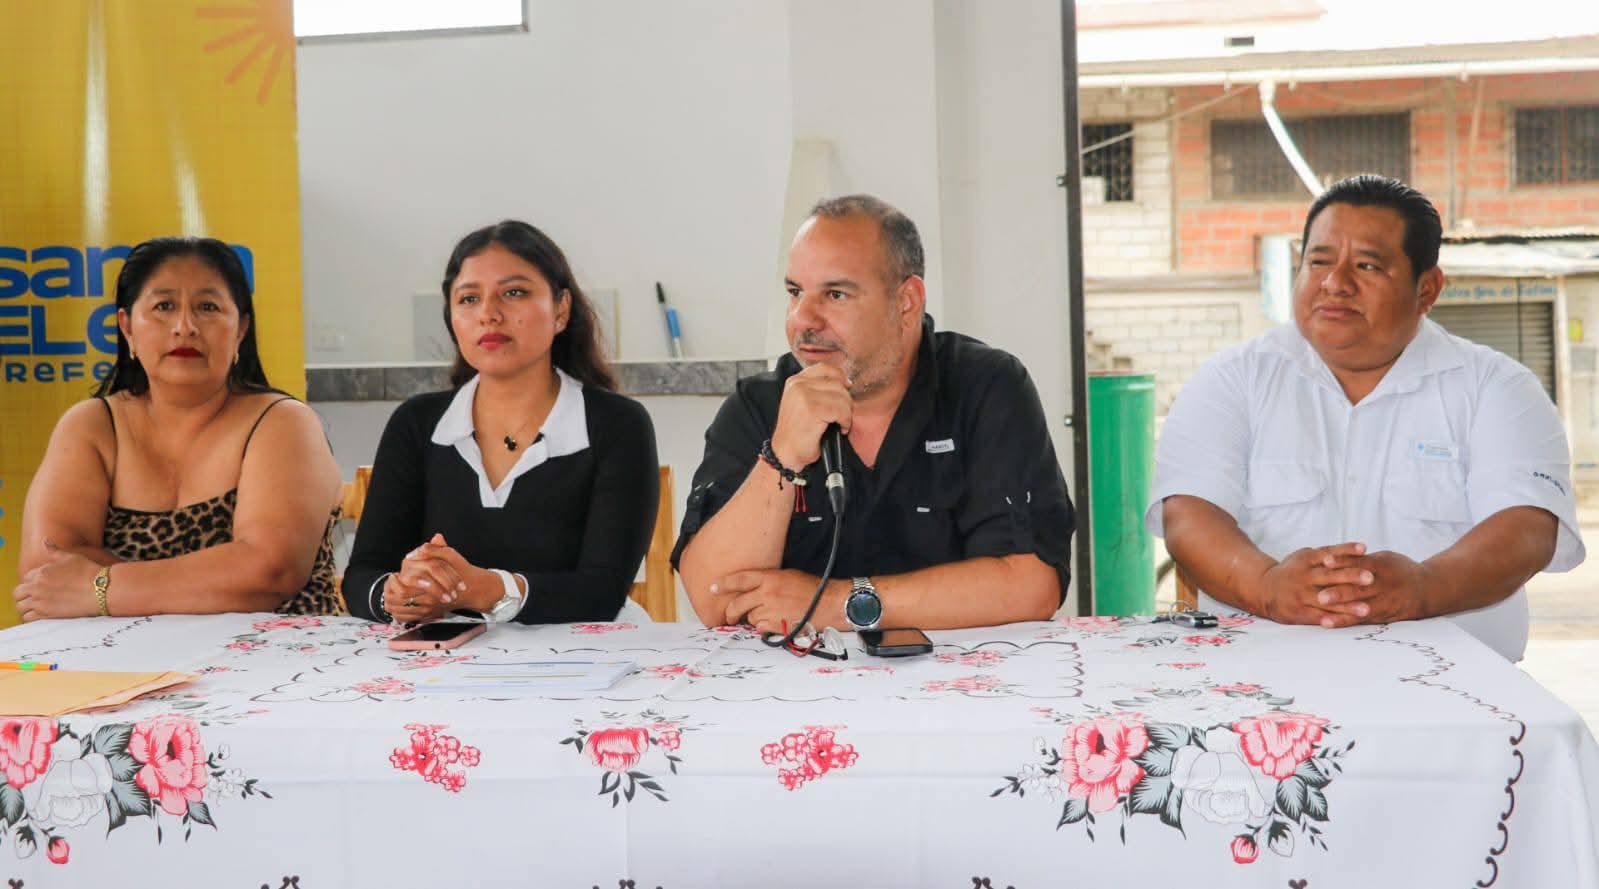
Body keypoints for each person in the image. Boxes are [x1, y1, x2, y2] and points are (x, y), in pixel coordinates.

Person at [1150, 174, 1584, 660]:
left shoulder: (1498, 388)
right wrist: (1267, 586)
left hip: (1455, 683)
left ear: (1427, 289)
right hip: (1258, 679)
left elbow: (1527, 528)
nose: (1335, 283)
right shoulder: (1231, 380)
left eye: (1367, 266)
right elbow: (1188, 515)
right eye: (1318, 261)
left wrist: (1425, 587)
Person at [673, 194, 1074, 635]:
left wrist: (838, 604)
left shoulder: (985, 386)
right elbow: (715, 600)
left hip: (963, 675)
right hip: (791, 676)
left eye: (835, 294)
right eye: (795, 292)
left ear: (906, 302)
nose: (803, 319)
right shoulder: (759, 405)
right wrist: (782, 455)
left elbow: (1031, 586)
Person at [342, 220, 658, 625]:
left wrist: (487, 590)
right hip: (447, 656)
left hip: (587, 654)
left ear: (561, 309)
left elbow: (603, 591)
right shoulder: (417, 423)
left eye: (514, 293)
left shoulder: (617, 424)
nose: (489, 314)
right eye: (469, 299)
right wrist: (397, 595)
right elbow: (363, 576)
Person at [14, 237, 343, 620]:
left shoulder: (283, 422)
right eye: (164, 306)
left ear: (240, 329)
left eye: (207, 307)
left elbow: (268, 572)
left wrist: (100, 589)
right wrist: (215, 580)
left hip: (279, 652)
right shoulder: (93, 424)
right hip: (122, 654)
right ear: (126, 327)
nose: (185, 327)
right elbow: (46, 569)